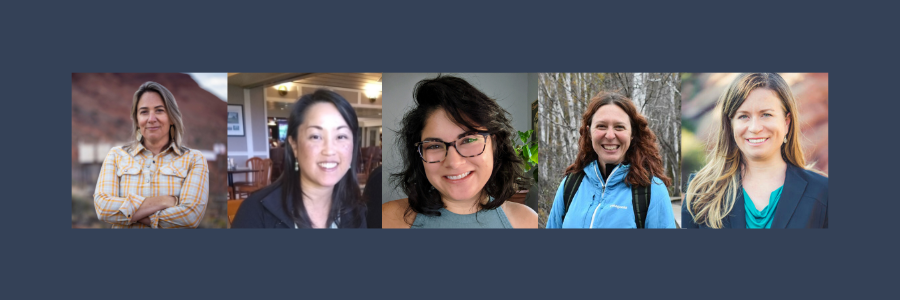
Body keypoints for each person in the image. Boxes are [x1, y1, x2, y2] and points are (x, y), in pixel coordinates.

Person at [382, 75, 538, 228]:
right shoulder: (387, 219)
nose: (454, 163)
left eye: (468, 140)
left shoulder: (528, 222)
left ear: (495, 144)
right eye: (435, 146)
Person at [683, 73, 827, 229]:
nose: (755, 128)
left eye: (766, 115)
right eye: (743, 116)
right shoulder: (701, 191)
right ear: (730, 124)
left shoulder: (821, 191)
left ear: (786, 122)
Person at [231, 90, 366, 228]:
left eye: (341, 136)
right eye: (315, 136)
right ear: (294, 145)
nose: (329, 150)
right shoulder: (255, 212)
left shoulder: (356, 211)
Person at [545, 91, 675, 228]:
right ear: (589, 132)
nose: (610, 135)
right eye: (601, 126)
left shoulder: (651, 191)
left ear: (632, 134)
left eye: (619, 127)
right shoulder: (571, 184)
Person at [94, 81, 209, 228]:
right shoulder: (116, 156)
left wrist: (129, 214)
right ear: (137, 120)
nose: (151, 119)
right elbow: (103, 209)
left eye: (159, 110)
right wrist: (162, 201)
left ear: (172, 117)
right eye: (144, 112)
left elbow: (190, 216)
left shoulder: (193, 159)